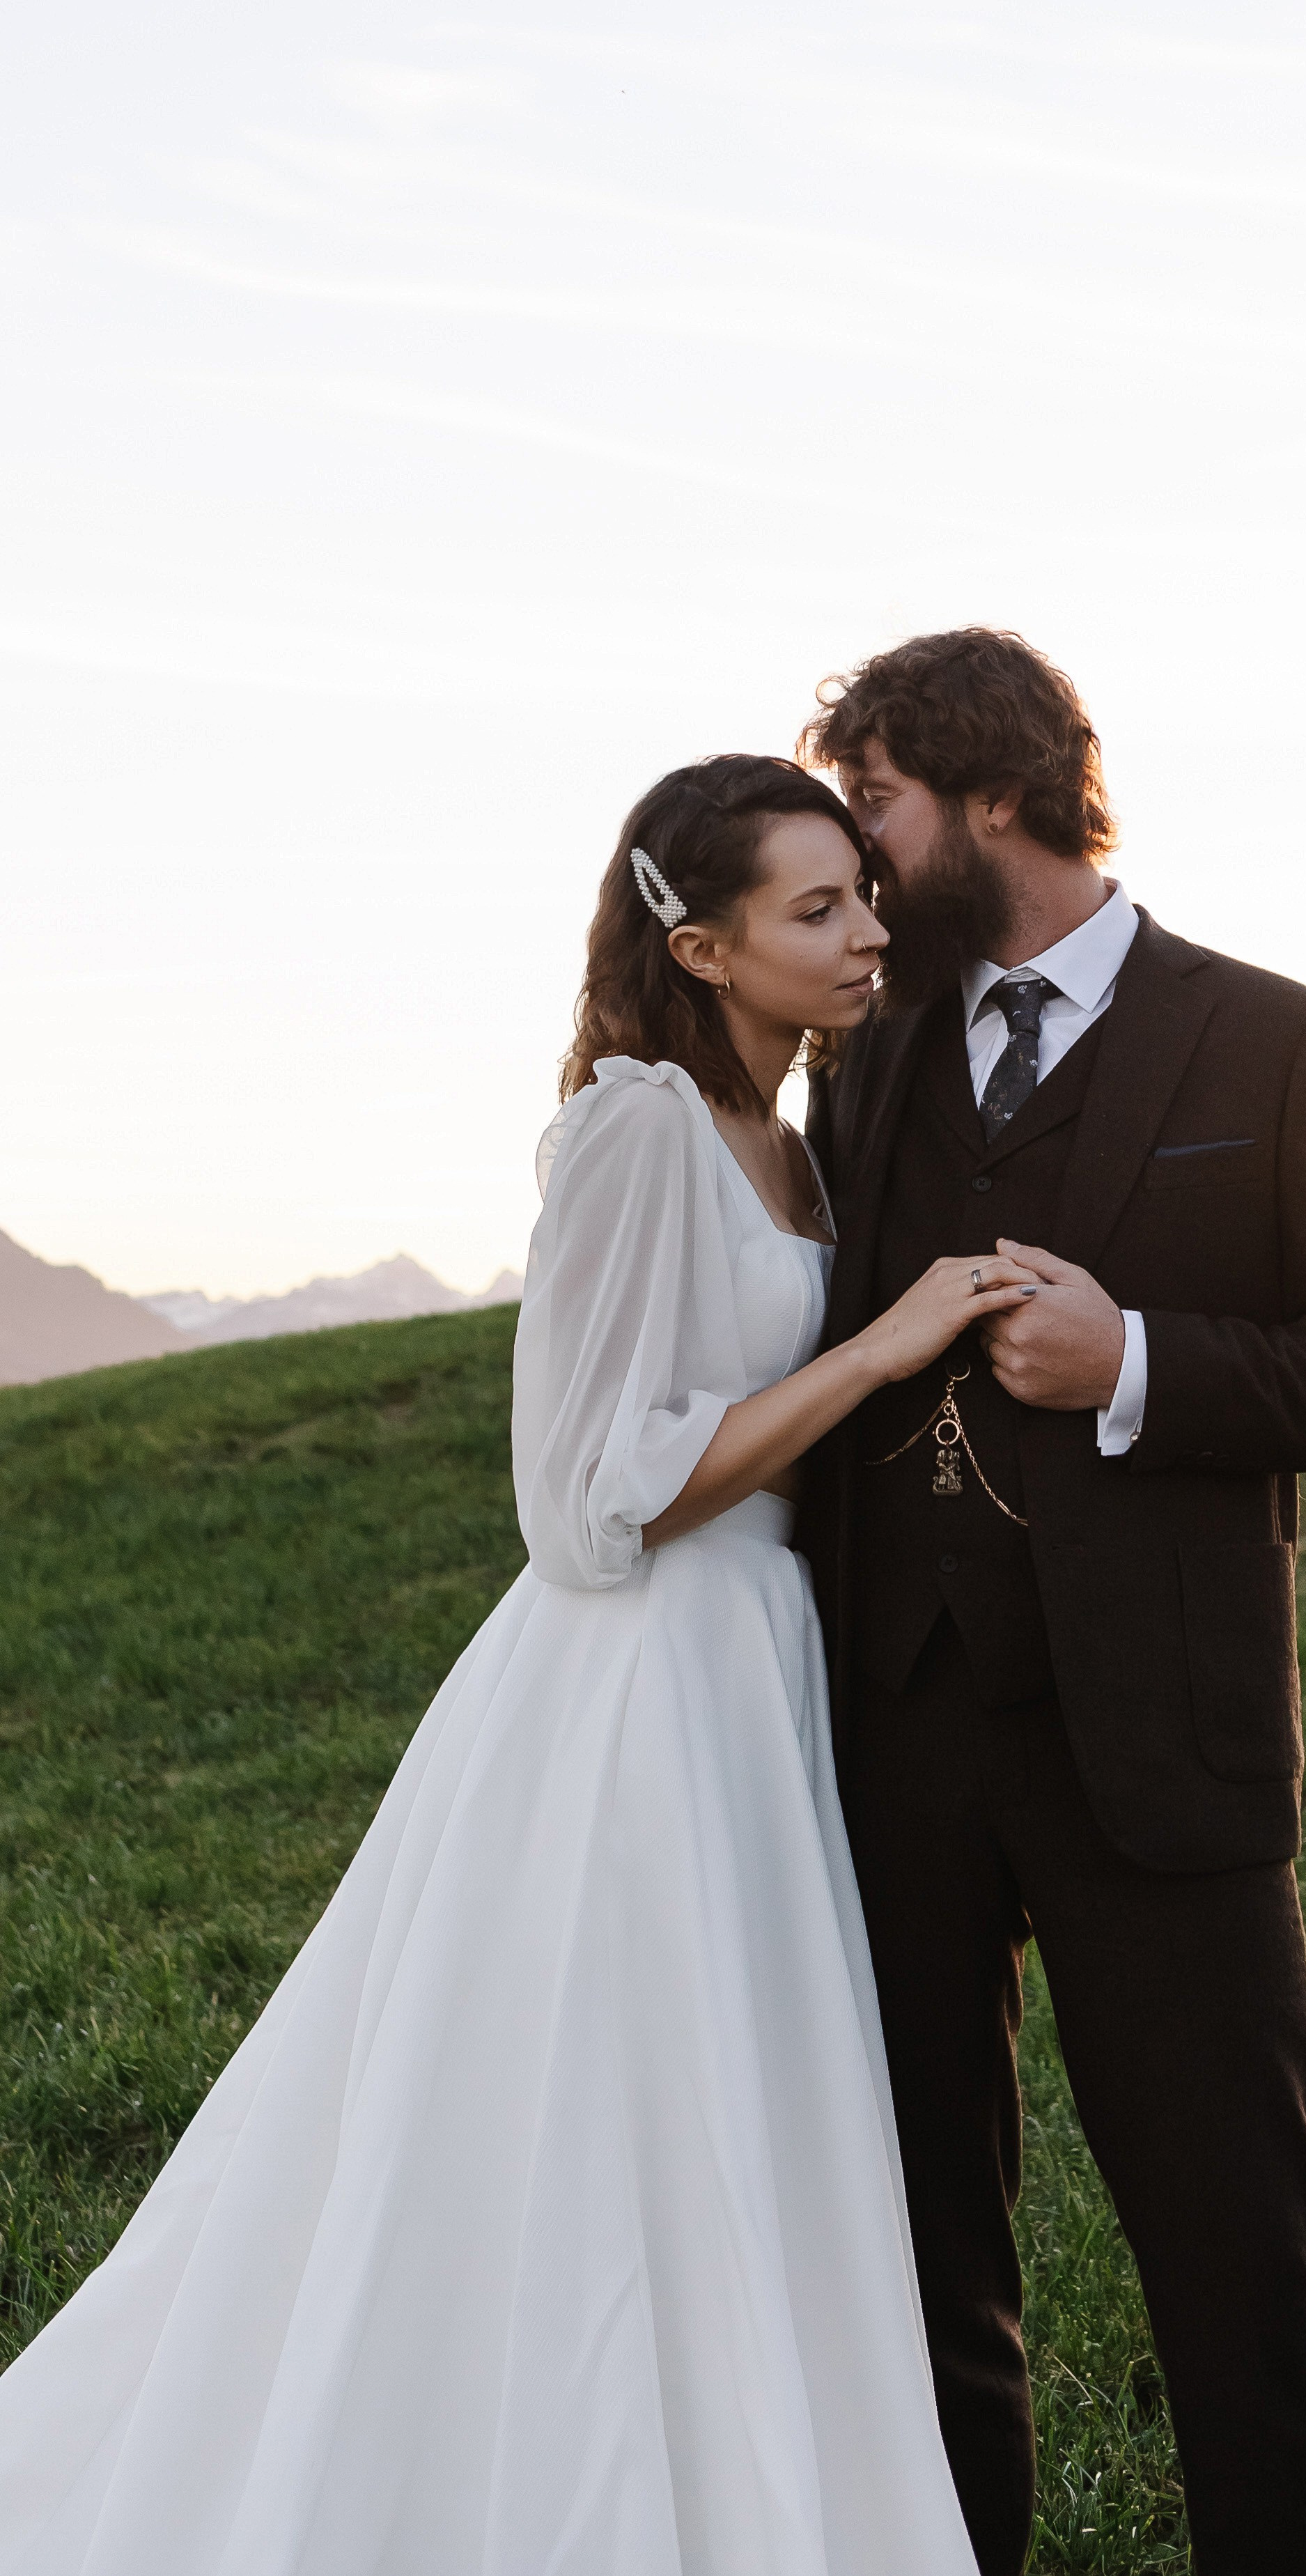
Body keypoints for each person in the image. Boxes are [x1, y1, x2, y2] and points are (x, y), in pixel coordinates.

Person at [0, 754, 1036, 2576]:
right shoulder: (636, 1127)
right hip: (638, 1686)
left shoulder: (794, 1135)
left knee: (740, 2115)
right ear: (701, 947)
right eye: (816, 909)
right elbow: (583, 1498)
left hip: (757, 1670)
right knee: (609, 2111)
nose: (866, 931)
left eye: (862, 895)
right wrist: (877, 1354)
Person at [796, 629, 1306, 2576]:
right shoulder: (872, 1051)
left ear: (993, 793)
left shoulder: (1274, 1037)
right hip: (894, 1735)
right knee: (918, 2265)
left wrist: (1138, 1360)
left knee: (1240, 2257)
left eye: (875, 805)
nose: (854, 853)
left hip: (1159, 1742)